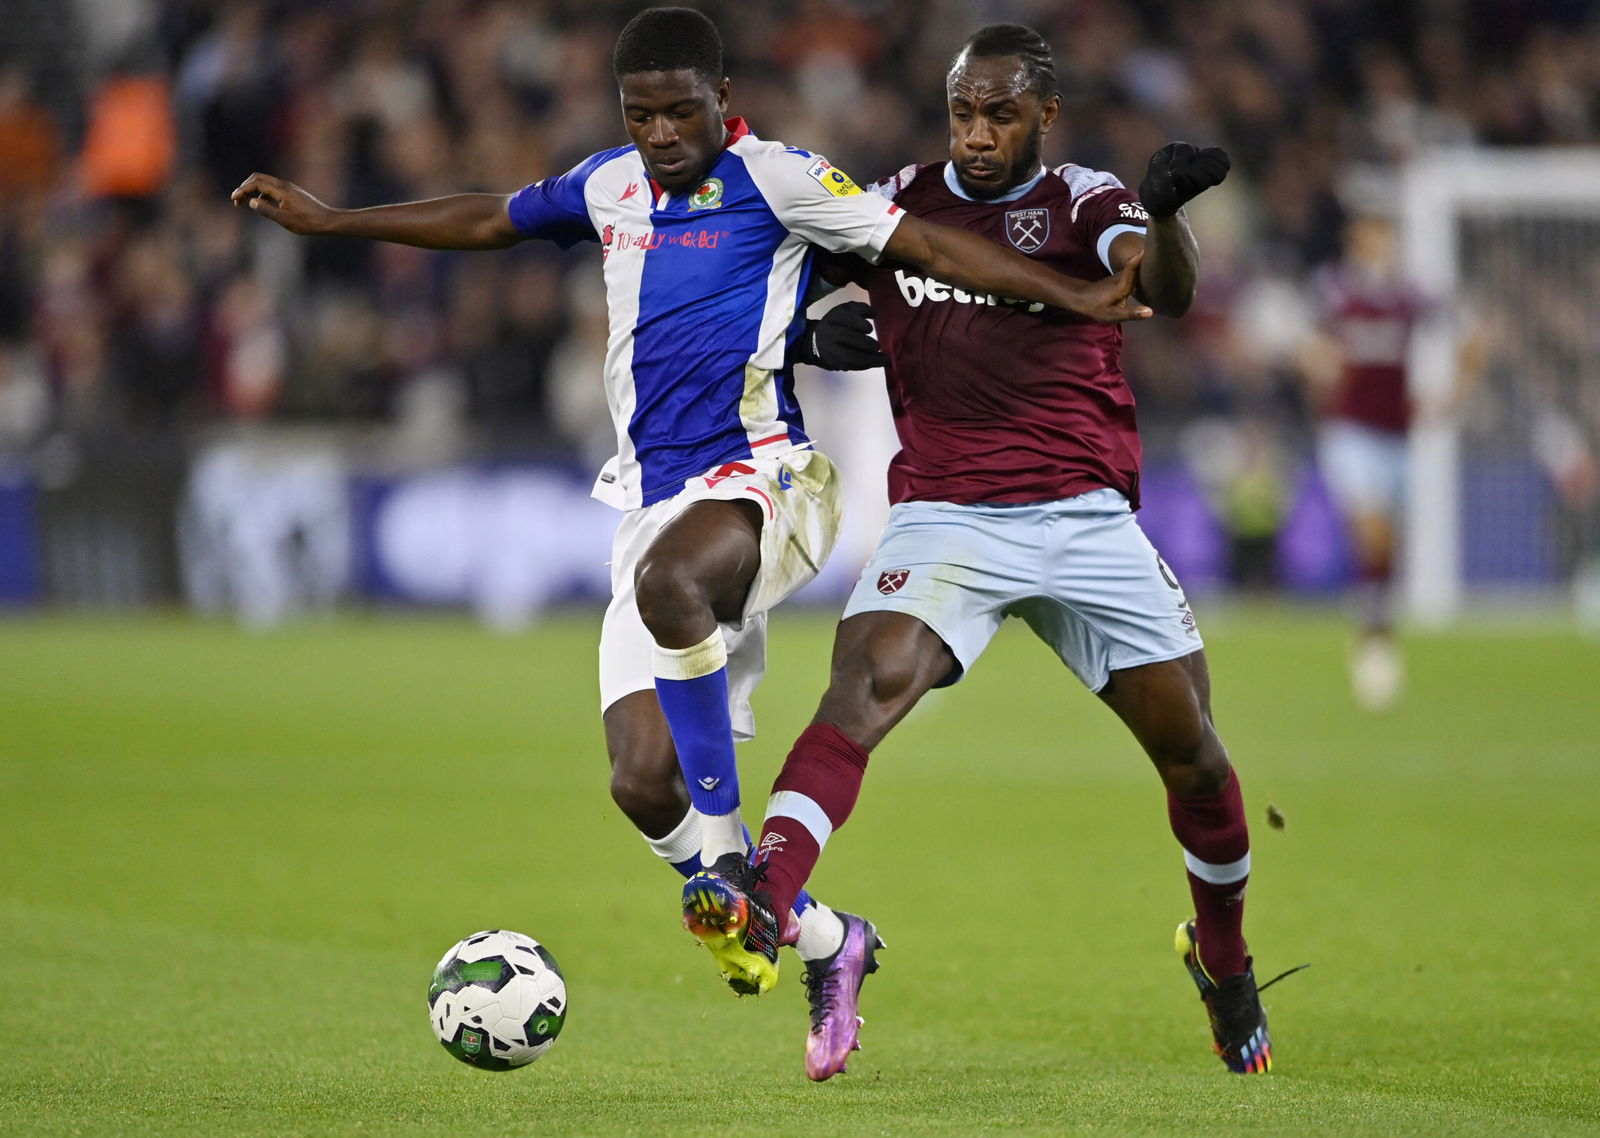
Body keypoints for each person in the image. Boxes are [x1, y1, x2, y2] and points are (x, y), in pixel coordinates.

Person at [231, 7, 1149, 1078]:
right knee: (637, 782)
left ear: (723, 96)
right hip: (654, 500)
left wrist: (1076, 293)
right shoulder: (609, 184)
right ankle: (821, 935)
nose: (661, 132)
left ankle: (731, 869)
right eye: (640, 113)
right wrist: (334, 221)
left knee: (676, 589)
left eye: (680, 110)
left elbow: (926, 245)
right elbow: (490, 218)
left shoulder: (782, 176)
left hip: (771, 482)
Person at [683, 24, 1274, 1080]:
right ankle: (765, 896)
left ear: (1043, 115)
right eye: (963, 110)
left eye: (1000, 114)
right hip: (947, 516)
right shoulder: (898, 198)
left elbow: (1164, 292)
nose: (977, 133)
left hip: (1085, 517)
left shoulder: (1089, 203)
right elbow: (775, 276)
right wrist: (812, 331)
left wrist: (1172, 215)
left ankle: (1222, 958)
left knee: (1197, 757)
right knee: (859, 691)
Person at [1300, 212, 1439, 710]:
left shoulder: (1411, 297)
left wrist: (1450, 395)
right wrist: (1321, 369)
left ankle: (1376, 624)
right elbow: (1310, 345)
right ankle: (1372, 640)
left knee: (1388, 546)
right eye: (1372, 237)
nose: (1381, 246)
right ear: (1357, 241)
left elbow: (1473, 332)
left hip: (1398, 434)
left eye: (1387, 237)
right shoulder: (1336, 291)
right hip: (1350, 431)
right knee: (1373, 530)